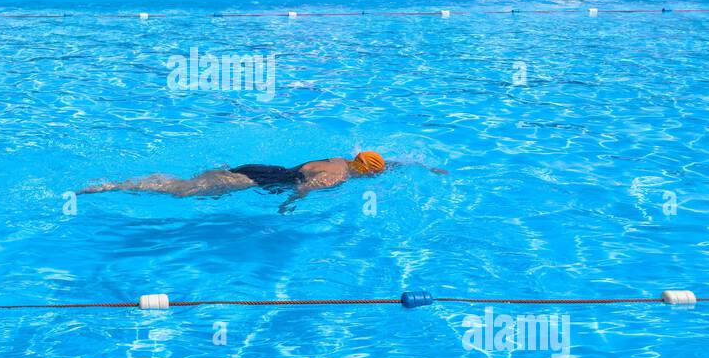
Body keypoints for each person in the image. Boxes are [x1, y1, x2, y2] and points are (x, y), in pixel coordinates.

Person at [79, 150, 446, 212]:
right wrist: (288, 208)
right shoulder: (336, 177)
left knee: (203, 189)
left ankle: (214, 177)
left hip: (264, 167)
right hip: (257, 180)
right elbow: (305, 188)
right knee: (182, 192)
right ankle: (114, 186)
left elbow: (396, 161)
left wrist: (424, 167)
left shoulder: (341, 160)